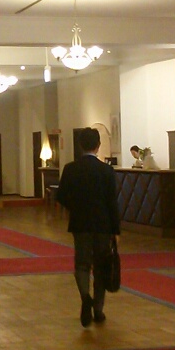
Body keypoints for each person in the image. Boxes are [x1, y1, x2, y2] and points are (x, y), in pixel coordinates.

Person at [56, 127, 120, 328]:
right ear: (98, 146)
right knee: (101, 266)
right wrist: (115, 230)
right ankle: (98, 310)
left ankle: (85, 297)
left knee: (82, 265)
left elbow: (61, 196)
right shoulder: (106, 170)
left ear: (80, 145)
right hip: (102, 225)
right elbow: (112, 202)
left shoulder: (70, 169)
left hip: (80, 223)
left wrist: (75, 207)